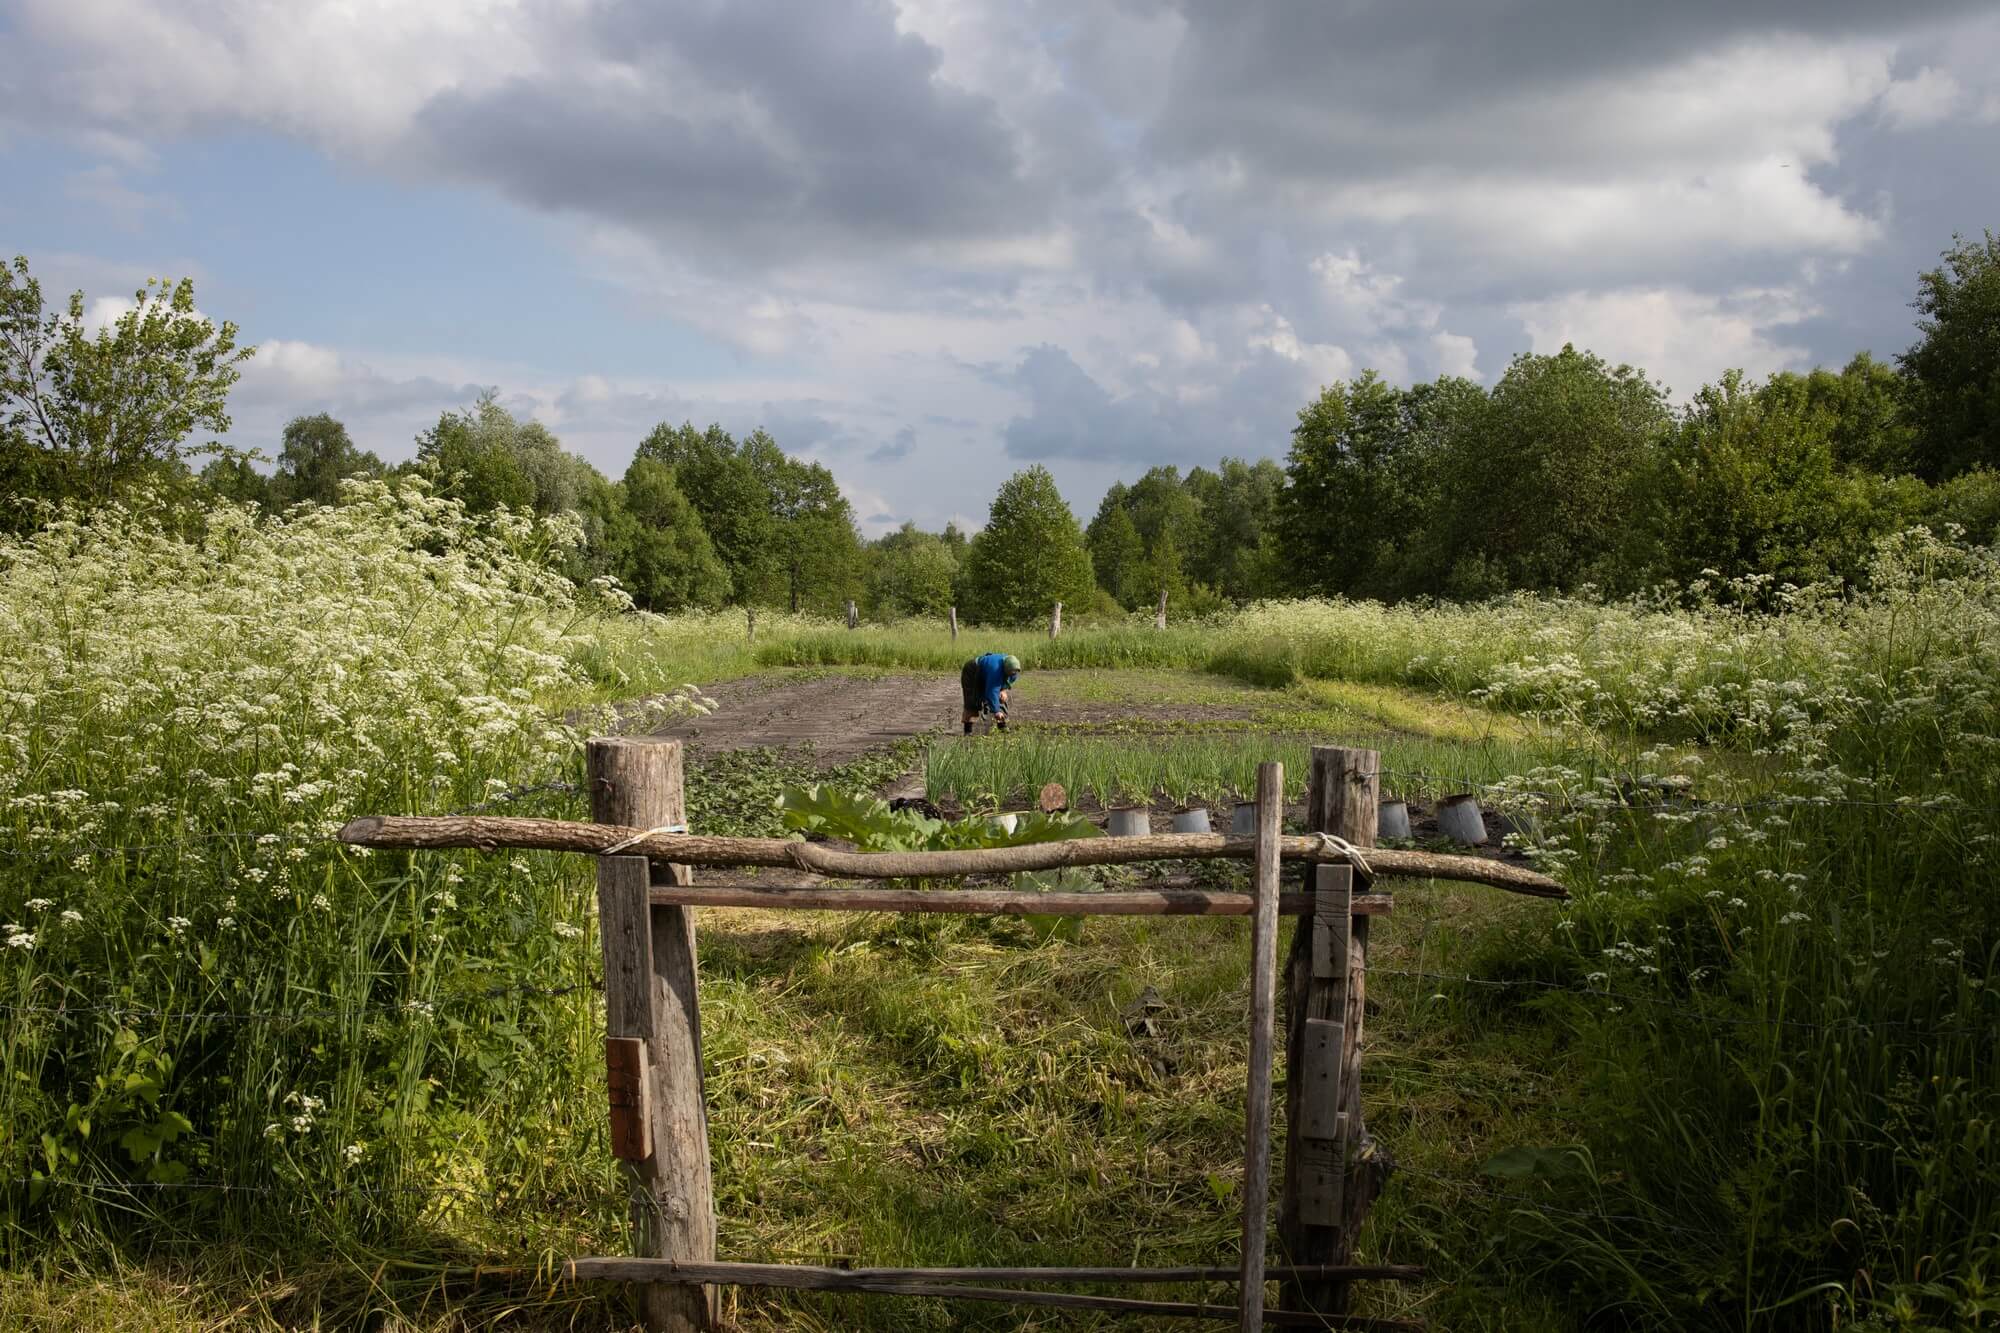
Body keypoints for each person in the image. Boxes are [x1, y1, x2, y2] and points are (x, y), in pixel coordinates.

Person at [960, 652, 1021, 734]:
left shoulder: (1014, 670)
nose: (1013, 674)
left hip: (986, 671)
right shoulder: (995, 670)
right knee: (973, 700)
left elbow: (1006, 682)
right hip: (972, 670)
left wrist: (1003, 690)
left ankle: (1002, 726)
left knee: (1002, 697)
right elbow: (992, 691)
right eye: (1011, 672)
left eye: (1014, 673)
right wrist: (996, 711)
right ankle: (967, 730)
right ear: (1005, 669)